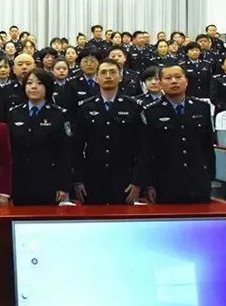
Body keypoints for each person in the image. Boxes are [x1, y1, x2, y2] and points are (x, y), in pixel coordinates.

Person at [72, 59, 144, 205]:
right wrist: (78, 180)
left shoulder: (133, 106)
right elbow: (76, 147)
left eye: (112, 72)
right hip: (92, 178)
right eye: (103, 72)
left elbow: (142, 147)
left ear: (120, 77)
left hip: (125, 178)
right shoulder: (85, 107)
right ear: (96, 78)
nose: (108, 76)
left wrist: (137, 181)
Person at [140, 64, 214, 204]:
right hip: (166, 181)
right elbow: (147, 151)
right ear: (161, 83)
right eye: (168, 78)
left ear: (186, 81)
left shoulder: (202, 108)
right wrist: (148, 184)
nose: (174, 81)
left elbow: (207, 145)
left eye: (178, 77)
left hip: (198, 179)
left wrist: (210, 176)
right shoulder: (151, 112)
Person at [7, 69, 71, 205]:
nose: (34, 87)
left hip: (48, 180)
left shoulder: (58, 114)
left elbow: (65, 152)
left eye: (39, 83)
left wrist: (63, 184)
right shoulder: (14, 113)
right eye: (29, 83)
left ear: (47, 87)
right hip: (20, 180)